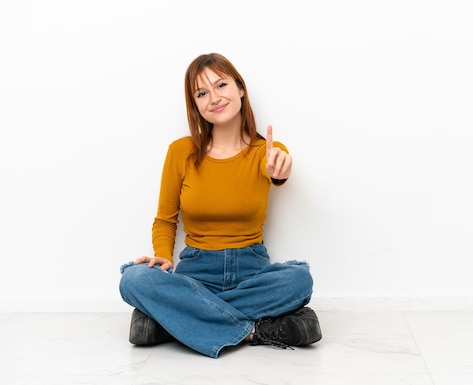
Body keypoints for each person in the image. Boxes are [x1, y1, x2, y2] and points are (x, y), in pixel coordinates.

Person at [118, 53, 322, 359]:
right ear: (195, 105)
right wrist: (162, 257)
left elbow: (278, 169)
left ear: (240, 88)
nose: (214, 97)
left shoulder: (266, 152)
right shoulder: (181, 152)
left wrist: (281, 170)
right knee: (133, 279)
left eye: (221, 85)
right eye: (202, 93)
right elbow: (166, 220)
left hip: (252, 271)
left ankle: (175, 319)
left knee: (299, 279)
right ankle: (254, 330)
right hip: (196, 273)